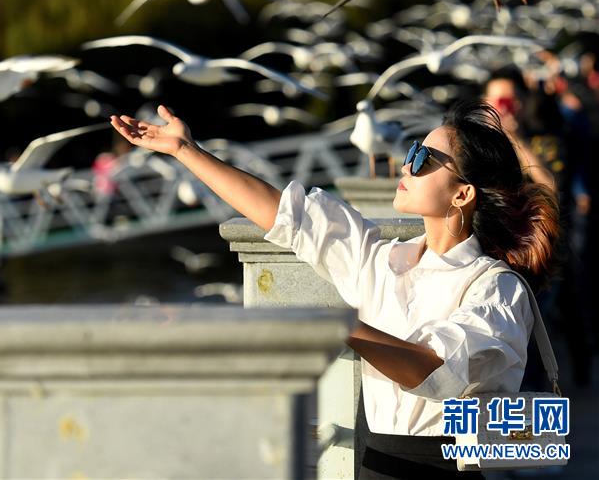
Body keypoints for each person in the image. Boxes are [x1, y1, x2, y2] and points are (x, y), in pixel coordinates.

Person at [110, 99, 559, 480]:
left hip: (440, 468)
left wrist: (335, 325)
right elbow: (287, 215)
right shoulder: (383, 261)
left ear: (462, 195)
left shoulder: (495, 289)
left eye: (423, 160)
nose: (406, 164)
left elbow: (433, 369)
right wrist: (186, 151)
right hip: (373, 463)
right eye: (412, 150)